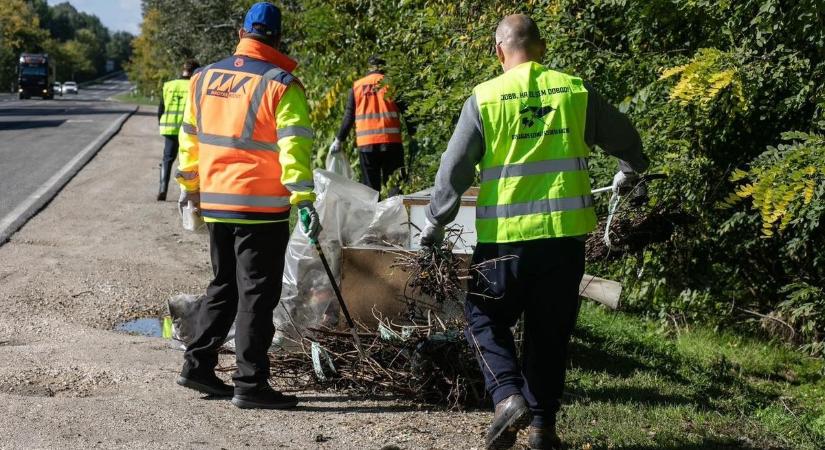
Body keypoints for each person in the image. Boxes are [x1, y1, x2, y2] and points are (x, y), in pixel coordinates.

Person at [419, 15, 649, 450]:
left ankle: (507, 397)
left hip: (506, 240)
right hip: (564, 241)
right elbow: (624, 135)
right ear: (541, 48)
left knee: (484, 316)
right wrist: (630, 170)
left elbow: (455, 167)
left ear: (498, 51)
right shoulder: (573, 91)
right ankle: (542, 428)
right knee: (550, 331)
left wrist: (435, 221)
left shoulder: (485, 98)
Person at [174, 2, 321, 410]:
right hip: (260, 206)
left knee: (223, 286)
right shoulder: (281, 84)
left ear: (241, 32)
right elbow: (295, 145)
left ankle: (197, 364)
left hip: (217, 202)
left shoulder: (203, 77)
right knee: (257, 294)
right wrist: (304, 199)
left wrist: (191, 187)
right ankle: (250, 383)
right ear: (275, 38)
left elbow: (190, 138)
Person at [329, 55, 416, 194]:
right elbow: (407, 112)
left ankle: (372, 215)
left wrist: (339, 139)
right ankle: (397, 214)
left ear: (368, 68)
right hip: (391, 142)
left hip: (367, 144)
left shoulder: (357, 86)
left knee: (370, 188)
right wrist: (413, 135)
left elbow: (349, 116)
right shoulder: (392, 84)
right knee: (395, 184)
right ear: (384, 67)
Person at [157, 60, 199, 201]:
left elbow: (160, 109)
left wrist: (161, 123)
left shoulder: (168, 85)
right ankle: (187, 193)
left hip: (170, 128)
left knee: (167, 159)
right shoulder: (195, 86)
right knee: (188, 162)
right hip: (188, 131)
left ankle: (162, 189)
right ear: (195, 71)